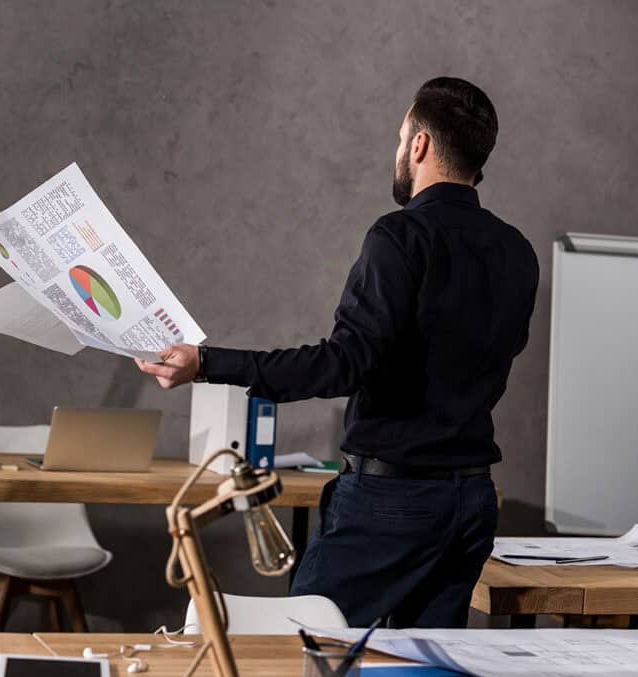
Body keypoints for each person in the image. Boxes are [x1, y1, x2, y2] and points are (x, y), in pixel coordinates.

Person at [135, 76, 539, 628]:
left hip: (390, 501)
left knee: (302, 651)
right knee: (424, 669)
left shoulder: (398, 237)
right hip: (472, 502)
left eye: (401, 139)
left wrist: (207, 362)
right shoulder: (518, 252)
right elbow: (501, 351)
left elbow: (344, 361)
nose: (399, 152)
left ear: (419, 144)